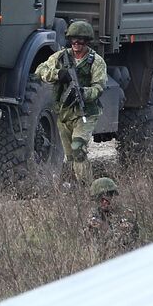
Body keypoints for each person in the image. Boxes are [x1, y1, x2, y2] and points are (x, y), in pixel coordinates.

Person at [35, 20, 107, 187]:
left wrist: (83, 93)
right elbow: (40, 71)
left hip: (86, 112)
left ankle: (89, 188)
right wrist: (58, 74)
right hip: (64, 112)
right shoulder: (61, 56)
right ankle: (71, 186)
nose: (76, 45)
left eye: (80, 42)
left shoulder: (96, 61)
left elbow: (99, 87)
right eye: (73, 41)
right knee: (70, 156)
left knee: (78, 148)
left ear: (87, 42)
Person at [85, 176, 139, 252]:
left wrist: (105, 229)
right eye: (100, 197)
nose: (104, 201)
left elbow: (121, 243)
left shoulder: (126, 214)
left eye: (108, 195)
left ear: (114, 196)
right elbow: (88, 243)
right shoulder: (94, 215)